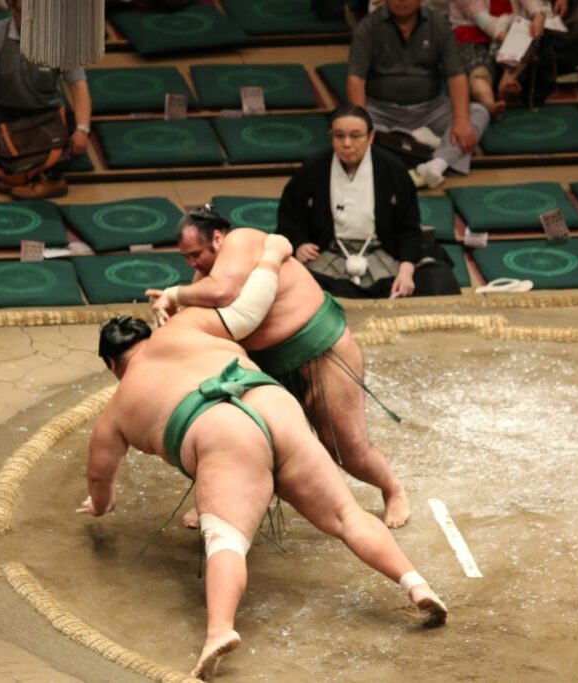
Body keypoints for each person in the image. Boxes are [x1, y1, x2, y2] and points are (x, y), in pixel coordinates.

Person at [83, 247, 447, 679]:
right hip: (270, 399)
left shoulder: (116, 412)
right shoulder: (186, 323)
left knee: (226, 541)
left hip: (220, 432)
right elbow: (247, 311)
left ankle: (219, 631)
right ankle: (416, 584)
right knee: (348, 515)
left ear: (112, 364)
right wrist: (272, 258)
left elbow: (101, 482)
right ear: (147, 335)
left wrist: (98, 505)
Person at [149, 207, 412, 528]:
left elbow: (223, 292)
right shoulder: (203, 279)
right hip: (266, 368)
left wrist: (172, 294)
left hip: (321, 351)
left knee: (347, 450)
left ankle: (393, 489)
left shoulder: (242, 241)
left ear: (217, 239)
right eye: (186, 258)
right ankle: (215, 500)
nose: (192, 263)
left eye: (195, 254)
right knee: (231, 437)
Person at [276, 104, 429, 299]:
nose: (347, 143)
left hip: (380, 251)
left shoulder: (393, 169)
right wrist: (299, 244)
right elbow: (290, 217)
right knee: (292, 284)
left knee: (425, 279)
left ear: (370, 137)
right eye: (339, 136)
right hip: (328, 253)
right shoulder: (313, 168)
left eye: (355, 136)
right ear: (331, 136)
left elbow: (409, 227)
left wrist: (407, 270)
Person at [347, 0, 490, 189]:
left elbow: (456, 75)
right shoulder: (368, 26)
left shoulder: (438, 23)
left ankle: (436, 164)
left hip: (431, 110)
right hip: (381, 111)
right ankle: (422, 143)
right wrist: (362, 122)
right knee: (347, 129)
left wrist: (462, 119)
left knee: (479, 112)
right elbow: (356, 79)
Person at [0, 0, 92, 200]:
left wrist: (83, 129)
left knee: (75, 128)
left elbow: (78, 86)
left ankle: (46, 179)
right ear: (13, 10)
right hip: (4, 110)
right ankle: (24, 176)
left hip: (46, 111)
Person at [449, 0, 555, 112]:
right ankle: (489, 103)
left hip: (509, 27)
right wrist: (508, 39)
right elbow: (481, 18)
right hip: (472, 33)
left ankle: (507, 80)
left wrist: (538, 14)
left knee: (530, 42)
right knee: (479, 73)